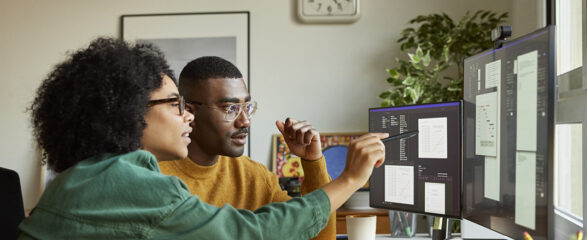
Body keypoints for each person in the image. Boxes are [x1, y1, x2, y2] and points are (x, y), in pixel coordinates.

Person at [19, 38, 388, 239]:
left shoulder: (82, 179)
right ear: (131, 112)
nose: (186, 115)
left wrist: (314, 165)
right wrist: (351, 180)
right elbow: (250, 232)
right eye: (175, 104)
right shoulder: (133, 183)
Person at [157, 56, 336, 239]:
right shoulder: (153, 178)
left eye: (247, 108)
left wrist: (312, 162)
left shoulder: (256, 177)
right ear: (190, 111)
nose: (245, 121)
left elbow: (316, 235)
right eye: (231, 109)